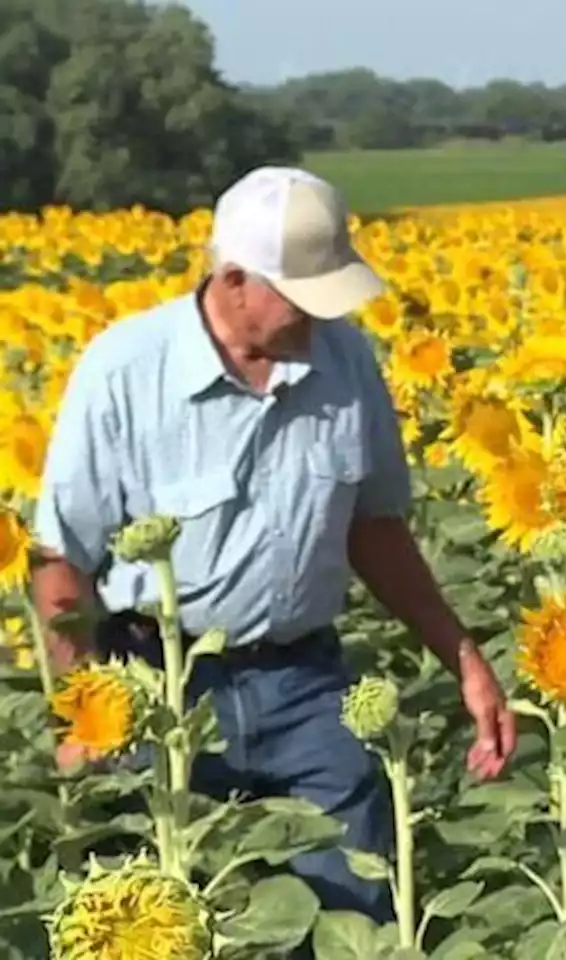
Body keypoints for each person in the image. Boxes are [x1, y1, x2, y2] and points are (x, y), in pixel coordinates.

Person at [31, 167, 517, 935]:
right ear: (232, 281)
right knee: (159, 917)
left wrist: (463, 656)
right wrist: (80, 714)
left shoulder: (346, 361)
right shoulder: (125, 370)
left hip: (303, 683)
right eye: (302, 297)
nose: (319, 319)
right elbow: (60, 561)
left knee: (359, 911)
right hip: (157, 689)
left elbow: (375, 529)